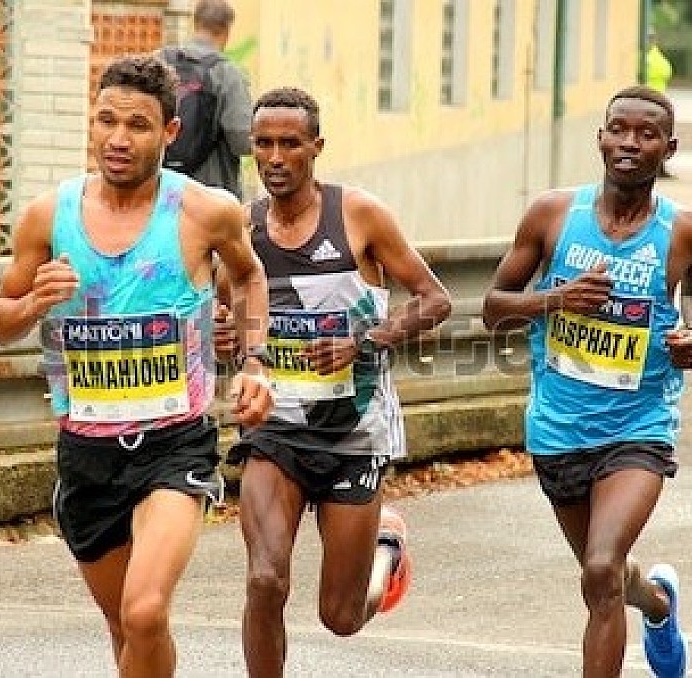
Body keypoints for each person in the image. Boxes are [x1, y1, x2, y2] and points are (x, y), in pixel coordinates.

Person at [0, 53, 273, 678]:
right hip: (86, 452)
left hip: (174, 444)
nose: (118, 138)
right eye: (106, 121)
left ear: (170, 132)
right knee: (125, 625)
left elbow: (249, 276)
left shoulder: (205, 211)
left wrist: (254, 361)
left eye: (138, 125)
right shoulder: (48, 216)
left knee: (144, 612)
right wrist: (32, 303)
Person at [481, 85, 692, 678]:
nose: (630, 143)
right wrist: (557, 299)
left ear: (669, 148)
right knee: (604, 573)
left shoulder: (687, 231)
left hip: (640, 425)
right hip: (558, 428)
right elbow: (492, 309)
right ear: (601, 139)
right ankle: (659, 606)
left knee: (602, 567)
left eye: (647, 134)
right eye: (619, 130)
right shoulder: (553, 215)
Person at [217, 86, 452, 678]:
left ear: (316, 146)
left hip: (354, 431)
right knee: (265, 580)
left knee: (341, 617)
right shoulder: (242, 225)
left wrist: (365, 340)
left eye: (290, 144)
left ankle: (385, 552)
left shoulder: (359, 215)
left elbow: (435, 300)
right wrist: (222, 335)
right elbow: (224, 308)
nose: (275, 157)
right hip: (275, 429)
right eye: (263, 144)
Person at [161, 0, 252, 199]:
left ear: (195, 23)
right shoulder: (227, 73)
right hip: (210, 193)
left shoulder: (160, 61)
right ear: (226, 30)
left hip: (161, 189)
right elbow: (242, 141)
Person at [645, 30, 675, 178]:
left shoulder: (646, 59)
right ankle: (659, 168)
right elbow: (668, 72)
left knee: (651, 137)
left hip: (647, 102)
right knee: (658, 136)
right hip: (658, 102)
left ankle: (656, 168)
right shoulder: (659, 58)